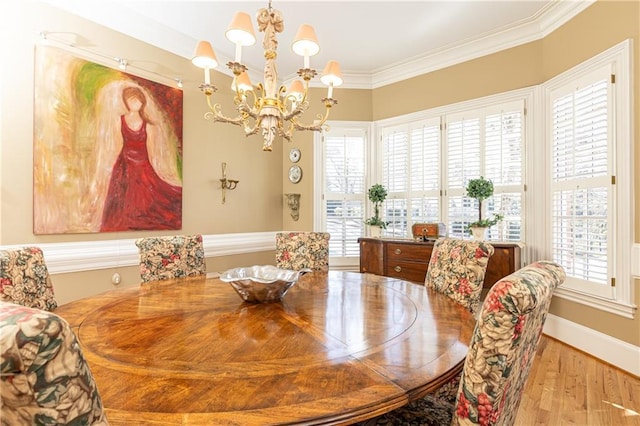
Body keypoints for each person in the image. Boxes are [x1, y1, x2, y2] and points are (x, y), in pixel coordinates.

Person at [100, 86, 182, 231]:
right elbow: (117, 143)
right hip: (125, 161)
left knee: (150, 194)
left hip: (142, 162)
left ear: (142, 102)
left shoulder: (147, 124)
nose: (135, 103)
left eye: (138, 100)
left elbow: (150, 149)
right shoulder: (120, 120)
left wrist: (154, 168)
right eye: (132, 100)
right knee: (122, 196)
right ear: (126, 102)